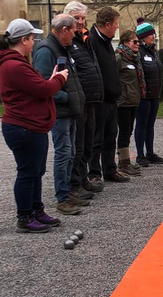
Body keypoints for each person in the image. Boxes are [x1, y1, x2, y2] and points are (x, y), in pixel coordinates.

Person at [0, 19, 68, 232]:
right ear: (23, 40)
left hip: (31, 126)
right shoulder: (14, 64)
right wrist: (60, 79)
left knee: (36, 171)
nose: (34, 42)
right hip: (23, 127)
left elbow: (39, 86)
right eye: (32, 38)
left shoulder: (19, 62)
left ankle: (36, 210)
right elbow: (43, 90)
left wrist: (51, 79)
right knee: (28, 172)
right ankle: (24, 217)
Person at [33, 14, 87, 215]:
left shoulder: (62, 48)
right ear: (64, 30)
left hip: (70, 110)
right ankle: (62, 198)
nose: (75, 34)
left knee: (71, 151)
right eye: (73, 30)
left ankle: (69, 191)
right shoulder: (47, 50)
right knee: (63, 153)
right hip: (61, 112)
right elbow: (43, 84)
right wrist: (66, 98)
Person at [64, 1, 104, 195]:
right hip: (79, 101)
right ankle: (75, 183)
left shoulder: (86, 39)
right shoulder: (68, 42)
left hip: (91, 100)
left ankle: (83, 178)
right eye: (76, 18)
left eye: (82, 18)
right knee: (77, 145)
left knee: (88, 142)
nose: (80, 22)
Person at [88, 7, 129, 184]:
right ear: (107, 24)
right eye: (116, 24)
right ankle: (94, 173)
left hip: (111, 98)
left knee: (110, 136)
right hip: (99, 99)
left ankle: (109, 169)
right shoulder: (92, 42)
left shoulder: (106, 41)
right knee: (97, 138)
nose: (117, 28)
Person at [134, 18, 163, 166]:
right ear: (142, 37)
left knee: (150, 124)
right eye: (150, 35)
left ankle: (150, 152)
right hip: (144, 96)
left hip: (154, 95)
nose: (153, 37)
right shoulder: (139, 53)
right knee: (141, 123)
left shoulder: (152, 52)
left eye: (153, 34)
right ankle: (140, 155)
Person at [115, 30, 143, 176]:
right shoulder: (119, 58)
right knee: (124, 131)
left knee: (128, 130)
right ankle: (124, 163)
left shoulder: (133, 59)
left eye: (138, 41)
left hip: (133, 100)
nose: (138, 44)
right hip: (123, 101)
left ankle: (124, 162)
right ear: (125, 42)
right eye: (135, 42)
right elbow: (113, 78)